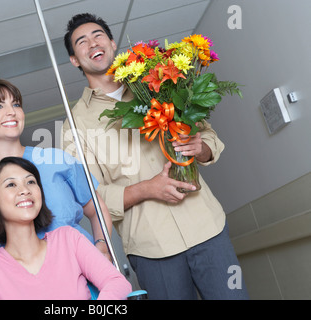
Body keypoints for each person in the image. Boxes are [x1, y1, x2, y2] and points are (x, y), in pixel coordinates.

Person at [61, 13, 249, 299]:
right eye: (81, 41)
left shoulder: (158, 82)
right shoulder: (74, 126)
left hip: (207, 229)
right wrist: (146, 189)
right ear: (75, 59)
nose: (92, 43)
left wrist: (200, 147)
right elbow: (91, 200)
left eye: (98, 35)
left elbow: (208, 135)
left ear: (112, 44)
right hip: (151, 250)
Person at [0, 79, 113, 286]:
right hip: (16, 288)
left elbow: (97, 209)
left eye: (16, 104)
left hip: (85, 280)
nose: (12, 111)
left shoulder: (57, 160)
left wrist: (102, 246)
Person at [0, 157, 131, 300]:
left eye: (30, 182)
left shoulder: (68, 239)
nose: (25, 190)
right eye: (11, 185)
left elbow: (117, 283)